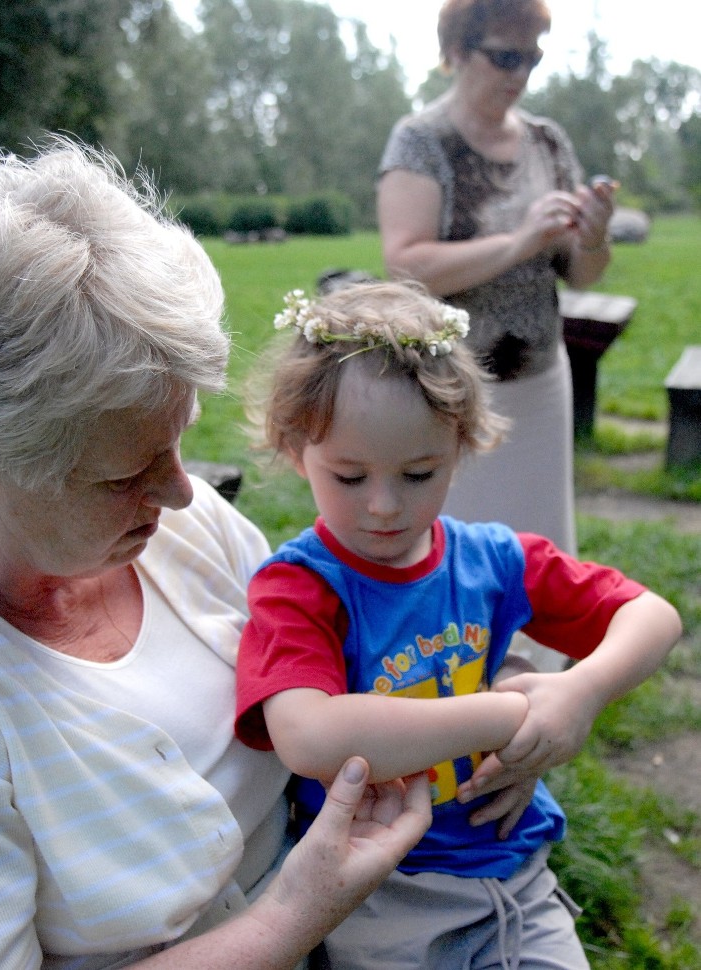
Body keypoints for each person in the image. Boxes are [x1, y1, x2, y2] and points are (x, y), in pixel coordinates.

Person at [0, 138, 434, 970]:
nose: (183, 495)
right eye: (126, 473)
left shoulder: (164, 527)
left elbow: (342, 650)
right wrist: (293, 917)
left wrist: (484, 706)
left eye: (179, 442)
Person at [235, 281, 682, 969]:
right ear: (297, 452)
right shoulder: (302, 587)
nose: (384, 506)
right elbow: (310, 736)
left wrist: (582, 691)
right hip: (376, 894)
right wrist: (506, 717)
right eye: (349, 477)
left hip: (517, 879)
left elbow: (652, 616)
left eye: (419, 473)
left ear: (461, 445)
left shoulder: (494, 561)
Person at [376, 0, 616, 571]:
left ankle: (542, 661)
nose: (520, 75)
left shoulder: (548, 142)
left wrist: (593, 237)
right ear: (456, 51)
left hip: (539, 380)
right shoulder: (421, 140)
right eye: (505, 56)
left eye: (532, 58)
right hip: (451, 394)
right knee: (461, 557)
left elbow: (580, 273)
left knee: (542, 549)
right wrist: (519, 240)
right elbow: (407, 264)